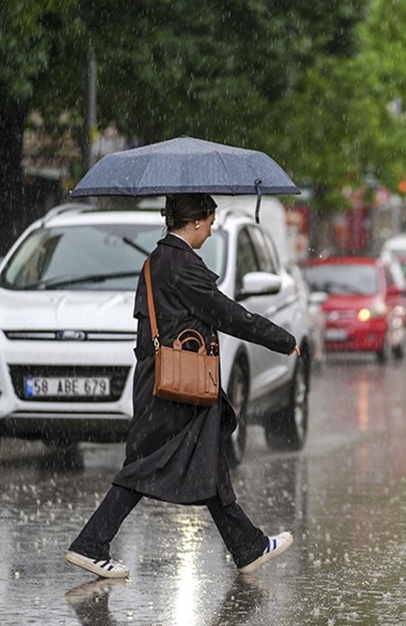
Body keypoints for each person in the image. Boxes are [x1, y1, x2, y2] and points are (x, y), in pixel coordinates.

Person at [66, 193, 300, 578]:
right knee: (145, 467)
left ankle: (248, 547)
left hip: (160, 379)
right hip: (180, 384)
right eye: (209, 222)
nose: (210, 231)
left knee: (203, 461)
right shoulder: (182, 266)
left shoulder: (156, 261)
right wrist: (281, 338)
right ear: (195, 222)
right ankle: (90, 543)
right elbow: (227, 314)